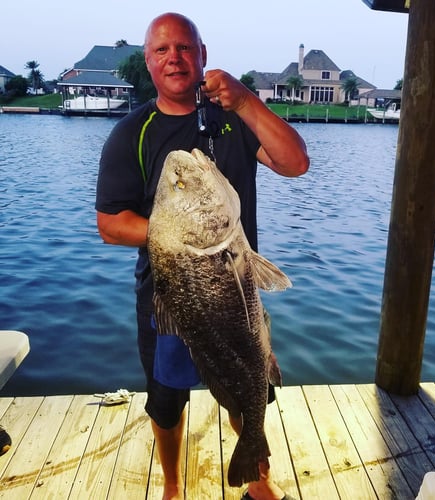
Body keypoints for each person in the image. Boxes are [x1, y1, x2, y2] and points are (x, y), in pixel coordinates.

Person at [95, 12, 309, 500]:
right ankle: (173, 485)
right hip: (168, 296)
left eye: (185, 48)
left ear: (202, 55)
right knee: (166, 404)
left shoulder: (232, 116)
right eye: (162, 50)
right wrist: (180, 234)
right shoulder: (132, 133)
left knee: (250, 385)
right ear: (147, 62)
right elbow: (110, 224)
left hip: (236, 293)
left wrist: (248, 100)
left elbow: (295, 164)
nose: (175, 58)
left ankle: (257, 479)